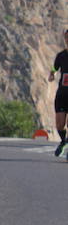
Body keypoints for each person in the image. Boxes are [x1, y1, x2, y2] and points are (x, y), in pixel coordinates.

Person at [49, 28, 68, 158]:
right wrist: (52, 74)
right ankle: (63, 141)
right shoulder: (61, 56)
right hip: (62, 95)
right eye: (67, 38)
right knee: (59, 125)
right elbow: (54, 68)